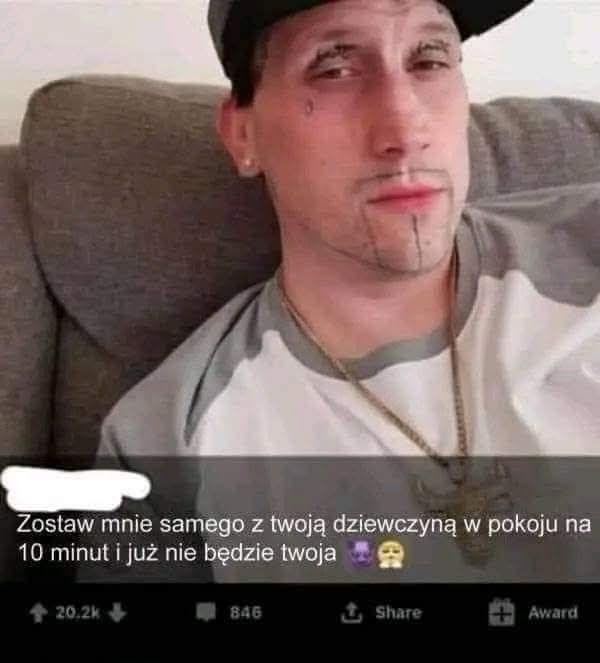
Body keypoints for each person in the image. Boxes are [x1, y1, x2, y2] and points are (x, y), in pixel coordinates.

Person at [87, 0, 600, 583]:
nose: (406, 131)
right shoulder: (165, 448)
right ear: (243, 134)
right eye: (333, 68)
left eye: (429, 59)